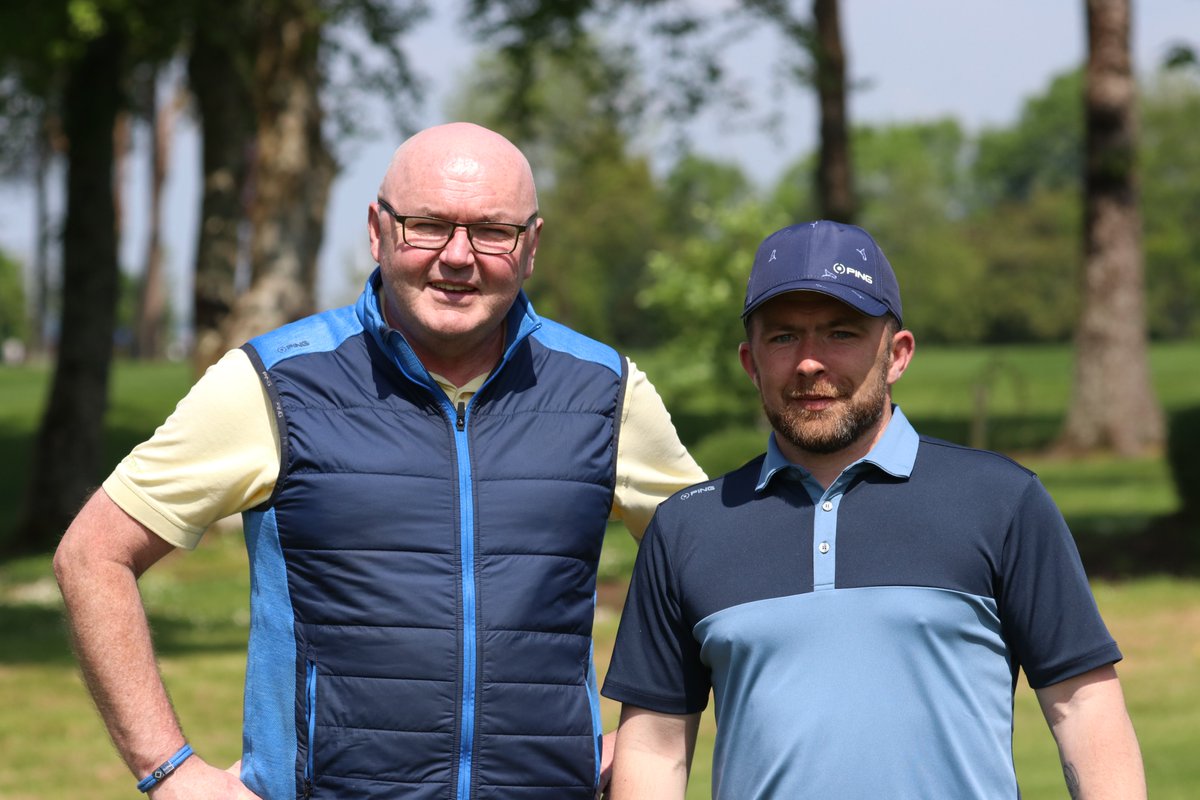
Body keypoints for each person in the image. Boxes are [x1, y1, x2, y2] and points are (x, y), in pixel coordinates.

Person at [53, 122, 705, 800]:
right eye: (427, 225)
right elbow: (94, 555)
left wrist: (646, 736)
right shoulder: (275, 382)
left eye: (491, 232)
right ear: (377, 229)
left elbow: (717, 574)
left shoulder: (603, 389)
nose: (458, 256)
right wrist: (171, 772)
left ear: (531, 245)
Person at [600, 220, 1146, 799]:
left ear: (898, 353)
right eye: (783, 338)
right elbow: (655, 748)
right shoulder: (690, 526)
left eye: (841, 333)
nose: (810, 362)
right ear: (750, 361)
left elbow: (1086, 710)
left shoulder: (1000, 500)